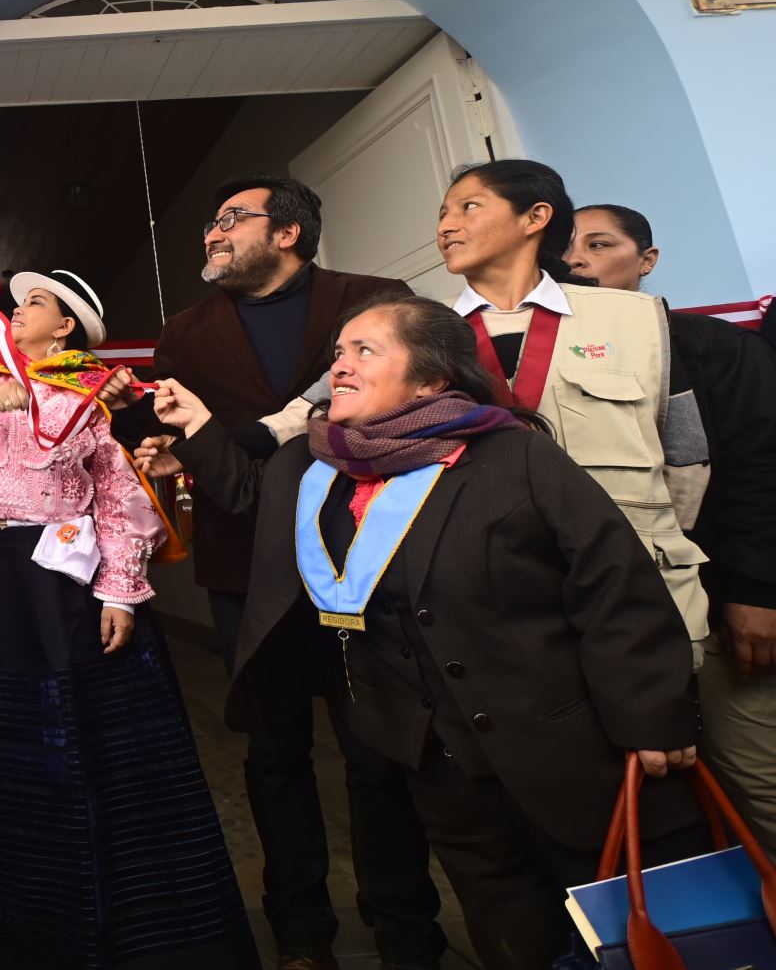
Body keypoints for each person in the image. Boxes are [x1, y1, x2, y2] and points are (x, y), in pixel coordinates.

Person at [153, 295, 707, 970]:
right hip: (436, 772)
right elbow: (249, 492)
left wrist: (652, 714)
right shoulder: (311, 466)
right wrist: (199, 426)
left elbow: (615, 585)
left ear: (432, 378)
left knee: (637, 938)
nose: (340, 368)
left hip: (568, 752)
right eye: (338, 353)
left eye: (364, 351)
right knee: (513, 936)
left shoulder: (514, 457)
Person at [107, 177, 442, 970]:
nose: (211, 235)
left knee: (379, 753)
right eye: (210, 224)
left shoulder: (376, 301)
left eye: (229, 220)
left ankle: (409, 933)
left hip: (369, 556)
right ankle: (300, 933)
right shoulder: (185, 331)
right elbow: (160, 424)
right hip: (247, 567)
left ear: (286, 231)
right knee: (274, 751)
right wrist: (123, 405)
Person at [0, 269, 257, 970]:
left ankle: (109, 917)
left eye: (32, 302)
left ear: (66, 326)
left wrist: (121, 591)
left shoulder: (94, 396)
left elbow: (120, 499)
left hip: (65, 579)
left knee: (86, 738)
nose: (14, 309)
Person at [566, 203, 776, 854]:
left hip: (722, 603)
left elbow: (757, 470)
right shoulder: (545, 364)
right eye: (569, 248)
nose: (578, 259)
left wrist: (756, 591)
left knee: (754, 771)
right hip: (612, 616)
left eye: (599, 244)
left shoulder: (713, 347)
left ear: (646, 260)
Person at [436, 163, 710, 659]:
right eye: (443, 214)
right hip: (492, 596)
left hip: (634, 588)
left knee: (655, 731)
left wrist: (650, 534)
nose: (446, 226)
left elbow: (686, 454)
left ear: (536, 216)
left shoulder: (634, 318)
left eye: (468, 207)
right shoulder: (422, 332)